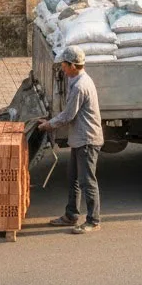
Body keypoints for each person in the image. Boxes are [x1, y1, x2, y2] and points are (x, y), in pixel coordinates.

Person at [38, 45, 104, 235]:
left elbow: (68, 116)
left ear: (73, 65)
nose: (62, 69)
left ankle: (93, 220)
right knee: (73, 178)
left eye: (64, 65)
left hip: (87, 140)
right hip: (78, 138)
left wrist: (48, 125)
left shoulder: (81, 86)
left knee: (87, 181)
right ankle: (71, 214)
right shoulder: (75, 79)